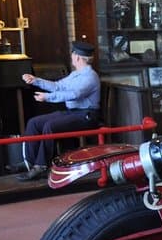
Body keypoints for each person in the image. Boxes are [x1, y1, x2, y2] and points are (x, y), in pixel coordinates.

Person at [16, 40, 101, 181]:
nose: (72, 57)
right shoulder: (76, 74)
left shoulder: (90, 77)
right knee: (34, 123)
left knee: (50, 126)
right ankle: (29, 162)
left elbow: (74, 94)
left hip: (86, 115)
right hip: (73, 113)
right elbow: (58, 86)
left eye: (73, 54)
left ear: (77, 57)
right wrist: (36, 80)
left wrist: (47, 97)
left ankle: (41, 166)